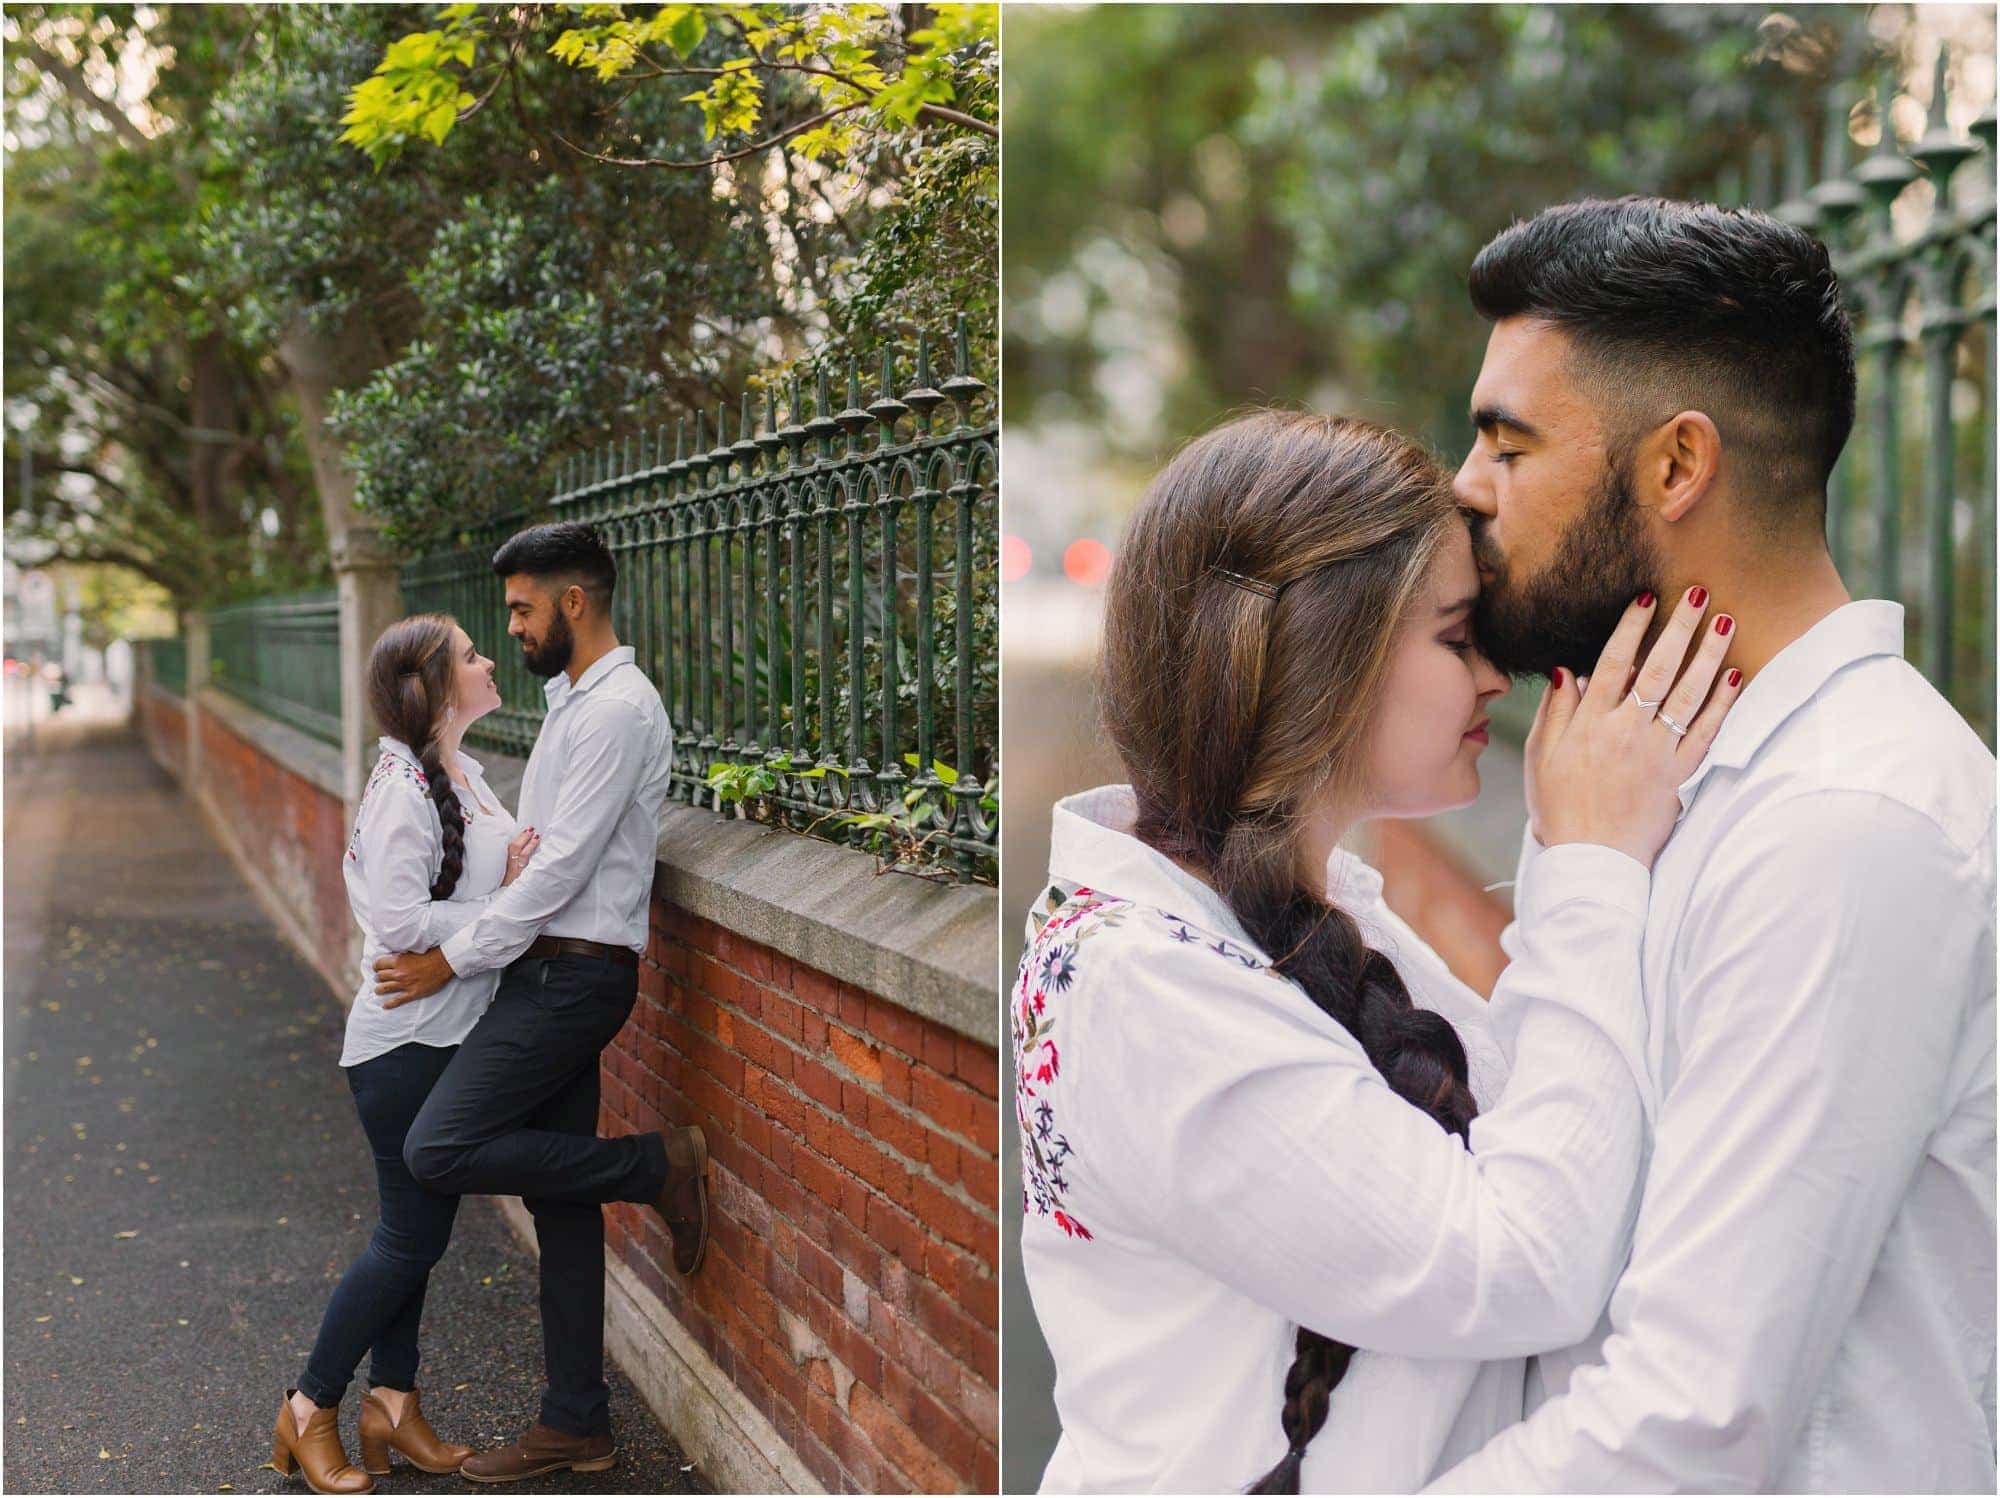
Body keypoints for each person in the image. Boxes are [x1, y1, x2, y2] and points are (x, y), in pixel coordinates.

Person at [1014, 408, 1744, 1492]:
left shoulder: (1291, 911)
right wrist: (1588, 862)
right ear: (1322, 657)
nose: (1495, 678)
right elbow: (1521, 1262)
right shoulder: (1137, 987)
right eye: (1456, 635)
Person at [1428, 197, 1995, 1493]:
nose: (1467, 486)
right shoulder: (1658, 776)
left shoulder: (1848, 825)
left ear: (1678, 466)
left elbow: (1690, 1420)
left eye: (1507, 443)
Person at [370, 521, 709, 1484]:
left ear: (573, 603)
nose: (508, 627)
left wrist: (453, 961)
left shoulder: (616, 712)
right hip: (545, 967)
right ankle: (577, 1422)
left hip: (574, 976)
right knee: (560, 1201)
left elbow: (560, 871)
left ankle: (657, 1165)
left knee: (436, 1147)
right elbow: (540, 847)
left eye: (520, 608)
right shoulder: (572, 703)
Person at [273, 613, 538, 1495]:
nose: (488, 659)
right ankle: (310, 1406)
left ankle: (393, 1404)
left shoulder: (458, 771)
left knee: (418, 1242)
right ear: (430, 686)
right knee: (403, 1241)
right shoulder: (402, 791)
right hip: (404, 1049)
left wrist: (498, 893)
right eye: (469, 655)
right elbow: (394, 928)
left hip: (437, 1036)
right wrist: (500, 904)